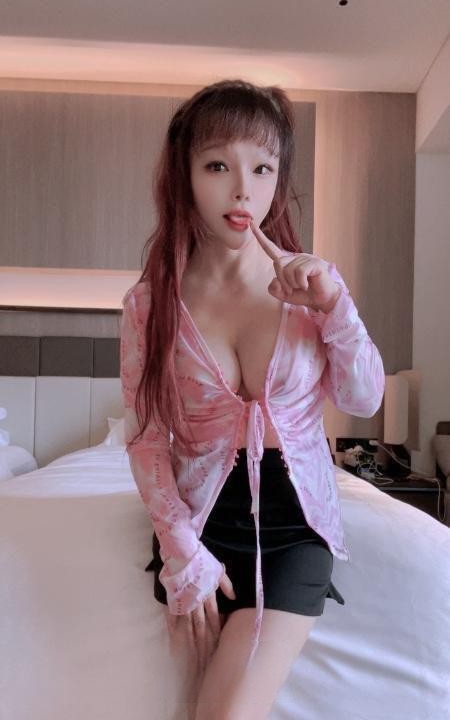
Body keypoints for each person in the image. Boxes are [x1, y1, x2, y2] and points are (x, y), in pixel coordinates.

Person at [119, 78, 385, 720]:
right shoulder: (151, 303)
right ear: (184, 178)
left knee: (223, 713)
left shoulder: (312, 282)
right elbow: (147, 439)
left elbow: (364, 398)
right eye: (218, 166)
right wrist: (180, 548)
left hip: (296, 523)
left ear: (278, 178)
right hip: (201, 520)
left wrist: (334, 307)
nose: (243, 190)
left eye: (262, 168)